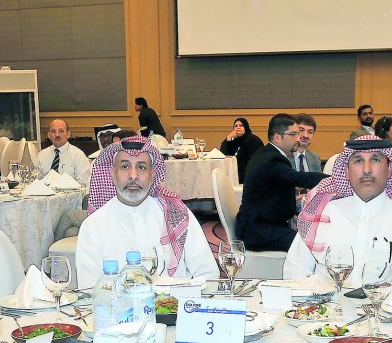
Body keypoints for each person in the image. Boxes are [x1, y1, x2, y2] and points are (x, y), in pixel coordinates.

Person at [287, 137, 392, 291]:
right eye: (358, 161)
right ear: (346, 171)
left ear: (389, 169)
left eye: (375, 160)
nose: (367, 170)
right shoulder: (323, 212)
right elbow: (295, 270)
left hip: (386, 311)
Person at [76, 136, 217, 288]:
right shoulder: (93, 226)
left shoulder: (177, 214)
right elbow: (89, 290)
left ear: (152, 174)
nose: (133, 175)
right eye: (125, 166)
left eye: (141, 167)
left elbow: (208, 274)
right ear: (113, 173)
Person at [235, 114, 329, 251]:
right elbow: (300, 178)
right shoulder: (273, 159)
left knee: (310, 237)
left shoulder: (267, 154)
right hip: (257, 230)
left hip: (260, 224)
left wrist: (291, 216)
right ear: (278, 137)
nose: (298, 139)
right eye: (293, 134)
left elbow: (272, 192)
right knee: (307, 246)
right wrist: (333, 179)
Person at [36, 119, 91, 186]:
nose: (57, 135)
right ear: (49, 135)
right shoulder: (42, 155)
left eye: (61, 131)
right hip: (44, 192)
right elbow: (35, 180)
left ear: (68, 134)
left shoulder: (78, 155)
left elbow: (83, 183)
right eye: (53, 131)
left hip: (70, 192)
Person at [220, 117, 264, 182]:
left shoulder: (253, 140)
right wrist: (229, 137)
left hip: (249, 174)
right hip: (235, 172)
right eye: (236, 126)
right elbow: (223, 153)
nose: (238, 128)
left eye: (241, 126)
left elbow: (254, 161)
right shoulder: (235, 141)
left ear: (246, 127)